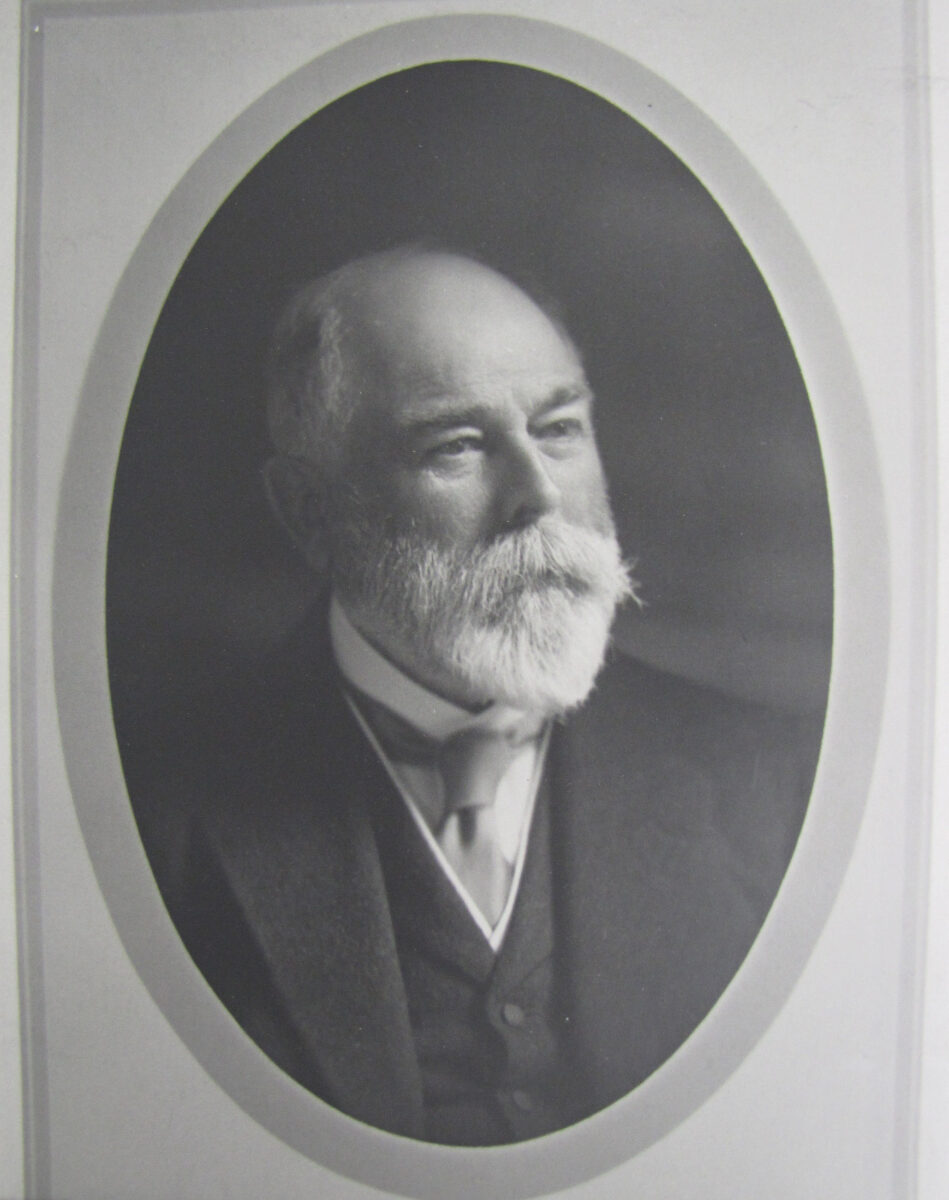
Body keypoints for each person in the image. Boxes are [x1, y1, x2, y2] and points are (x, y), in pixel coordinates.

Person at [133, 245, 822, 1146]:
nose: (536, 495)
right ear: (309, 513)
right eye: (454, 447)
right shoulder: (148, 820)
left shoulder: (780, 788)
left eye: (559, 428)